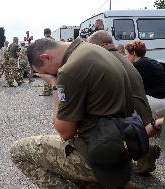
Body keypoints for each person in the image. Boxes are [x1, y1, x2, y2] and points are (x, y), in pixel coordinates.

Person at [10, 38, 142, 188]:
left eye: (46, 72)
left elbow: (65, 132)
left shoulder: (69, 70)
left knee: (18, 152)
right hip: (121, 144)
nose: (51, 74)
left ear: (45, 57)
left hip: (98, 155)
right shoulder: (92, 49)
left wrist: (54, 84)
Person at [88, 31, 163, 174]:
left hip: (132, 118)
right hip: (143, 113)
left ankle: (125, 158)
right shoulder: (124, 60)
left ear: (98, 46)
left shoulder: (106, 61)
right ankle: (144, 153)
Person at [40, 28, 54, 96]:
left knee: (46, 75)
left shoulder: (42, 41)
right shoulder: (54, 40)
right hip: (53, 61)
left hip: (46, 61)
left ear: (44, 33)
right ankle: (52, 90)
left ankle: (46, 91)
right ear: (50, 33)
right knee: (53, 75)